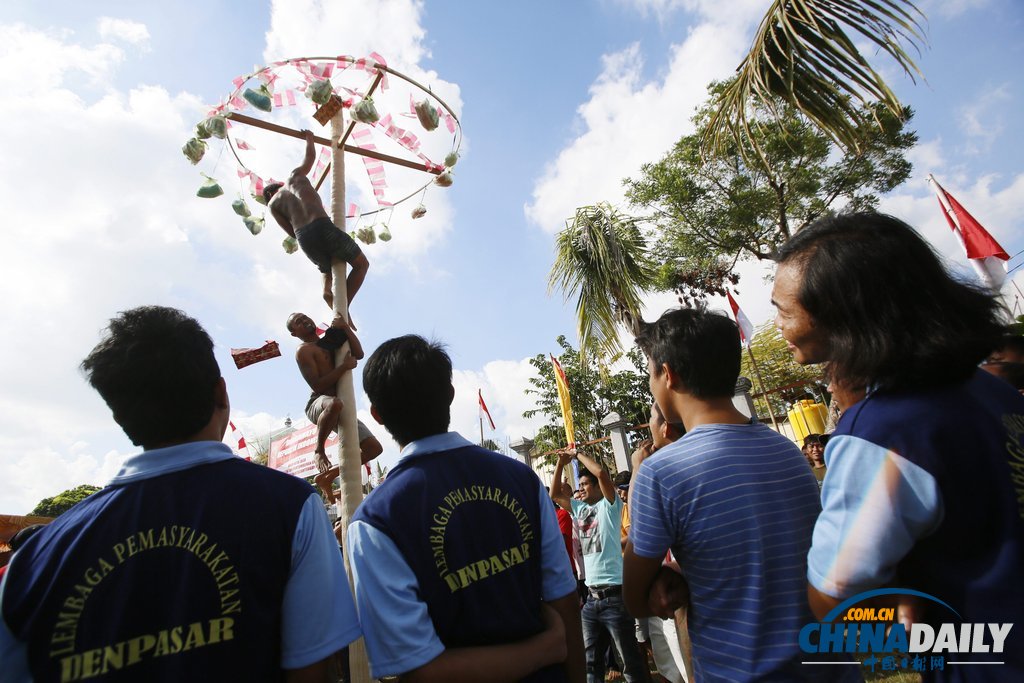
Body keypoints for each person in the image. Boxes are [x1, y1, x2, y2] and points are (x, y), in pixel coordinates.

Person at [0, 306, 360, 681]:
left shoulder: (32, 565)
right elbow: (312, 669)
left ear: (120, 416)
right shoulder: (291, 506)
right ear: (222, 393)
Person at [773, 212, 1024, 678]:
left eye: (785, 311)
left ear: (843, 313)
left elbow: (833, 597)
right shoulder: (991, 391)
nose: (779, 326)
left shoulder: (883, 434)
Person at [347, 335, 584, 682]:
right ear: (450, 394)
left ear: (377, 415)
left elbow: (419, 670)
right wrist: (545, 650)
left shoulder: (374, 522)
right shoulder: (520, 478)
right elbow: (564, 602)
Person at [623, 307, 843, 682]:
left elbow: (634, 597)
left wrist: (673, 576)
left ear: (668, 375)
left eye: (650, 372)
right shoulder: (786, 451)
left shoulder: (661, 472)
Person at [550, 451, 651, 683]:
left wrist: (576, 454)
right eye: (580, 484)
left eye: (585, 484)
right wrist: (560, 463)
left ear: (597, 487)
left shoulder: (610, 506)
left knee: (629, 663)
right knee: (590, 664)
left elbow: (601, 473)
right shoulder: (579, 509)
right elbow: (555, 493)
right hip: (592, 600)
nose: (581, 488)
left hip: (615, 596)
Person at [265, 129, 369, 311]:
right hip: (321, 224)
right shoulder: (294, 177)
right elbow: (310, 158)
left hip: (304, 236)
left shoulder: (273, 205)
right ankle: (344, 306)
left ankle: (326, 290)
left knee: (325, 266)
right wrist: (309, 138)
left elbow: (291, 233)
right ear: (279, 184)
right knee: (361, 264)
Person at [286, 311, 382, 503]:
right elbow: (318, 385)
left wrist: (345, 327)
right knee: (334, 403)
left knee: (373, 449)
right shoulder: (303, 351)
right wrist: (344, 367)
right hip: (319, 403)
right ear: (294, 333)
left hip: (338, 406)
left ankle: (327, 477)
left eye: (305, 317)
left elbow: (359, 353)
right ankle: (318, 451)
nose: (304, 320)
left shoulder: (330, 340)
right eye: (298, 322)